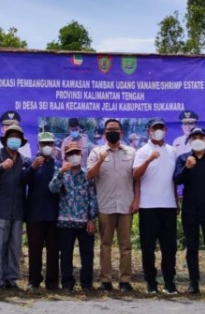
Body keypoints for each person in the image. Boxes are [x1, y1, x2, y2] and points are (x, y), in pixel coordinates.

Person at [87, 118, 138, 293]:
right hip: (105, 205)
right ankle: (105, 280)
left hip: (126, 204)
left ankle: (125, 281)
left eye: (115, 129)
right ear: (104, 132)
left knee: (126, 245)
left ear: (121, 132)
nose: (112, 132)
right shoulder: (96, 152)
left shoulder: (131, 152)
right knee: (105, 244)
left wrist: (136, 200)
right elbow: (89, 176)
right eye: (109, 129)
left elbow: (136, 178)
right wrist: (100, 161)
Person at [174, 127, 205, 295]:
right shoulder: (183, 158)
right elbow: (176, 179)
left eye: (200, 136)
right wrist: (187, 167)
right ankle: (193, 282)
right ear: (189, 141)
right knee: (192, 247)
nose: (197, 139)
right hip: (190, 209)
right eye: (193, 136)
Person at [133, 117, 179, 295]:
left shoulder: (172, 151)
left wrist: (175, 201)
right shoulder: (143, 151)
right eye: (155, 128)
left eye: (161, 127)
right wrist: (148, 160)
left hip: (168, 205)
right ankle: (151, 282)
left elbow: (174, 179)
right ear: (149, 131)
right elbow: (135, 175)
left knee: (169, 247)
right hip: (148, 206)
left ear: (165, 129)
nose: (158, 130)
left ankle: (169, 282)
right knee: (148, 247)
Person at [0, 124, 31, 289]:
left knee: (14, 247)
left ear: (21, 141)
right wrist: (1, 167)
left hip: (17, 209)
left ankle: (11, 279)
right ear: (5, 140)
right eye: (11, 136)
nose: (14, 140)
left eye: (17, 137)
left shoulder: (24, 160)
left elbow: (26, 180)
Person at [49, 142, 98, 291]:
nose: (74, 156)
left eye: (76, 152)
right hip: (65, 222)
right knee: (65, 255)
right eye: (70, 153)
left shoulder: (87, 175)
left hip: (84, 222)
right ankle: (67, 283)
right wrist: (61, 172)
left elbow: (92, 198)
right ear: (65, 156)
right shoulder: (61, 173)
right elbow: (52, 188)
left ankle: (86, 284)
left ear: (82, 155)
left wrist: (92, 219)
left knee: (87, 255)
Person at [25, 132, 61, 290]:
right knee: (35, 251)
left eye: (50, 144)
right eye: (43, 143)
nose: (47, 146)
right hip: (34, 214)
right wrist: (32, 169)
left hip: (54, 214)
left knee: (53, 251)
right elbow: (22, 180)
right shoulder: (30, 162)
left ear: (54, 146)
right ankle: (34, 281)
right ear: (38, 145)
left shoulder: (58, 166)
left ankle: (52, 282)